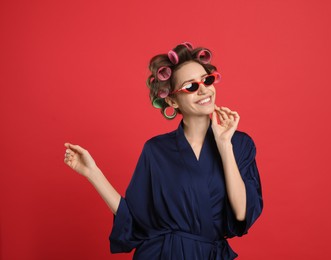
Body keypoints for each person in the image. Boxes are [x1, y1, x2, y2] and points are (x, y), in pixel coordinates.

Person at [63, 42, 263, 259]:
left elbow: (242, 212)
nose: (204, 89)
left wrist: (225, 145)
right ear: (172, 100)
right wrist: (93, 173)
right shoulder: (156, 150)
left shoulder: (240, 145)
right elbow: (135, 218)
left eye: (206, 80)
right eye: (191, 86)